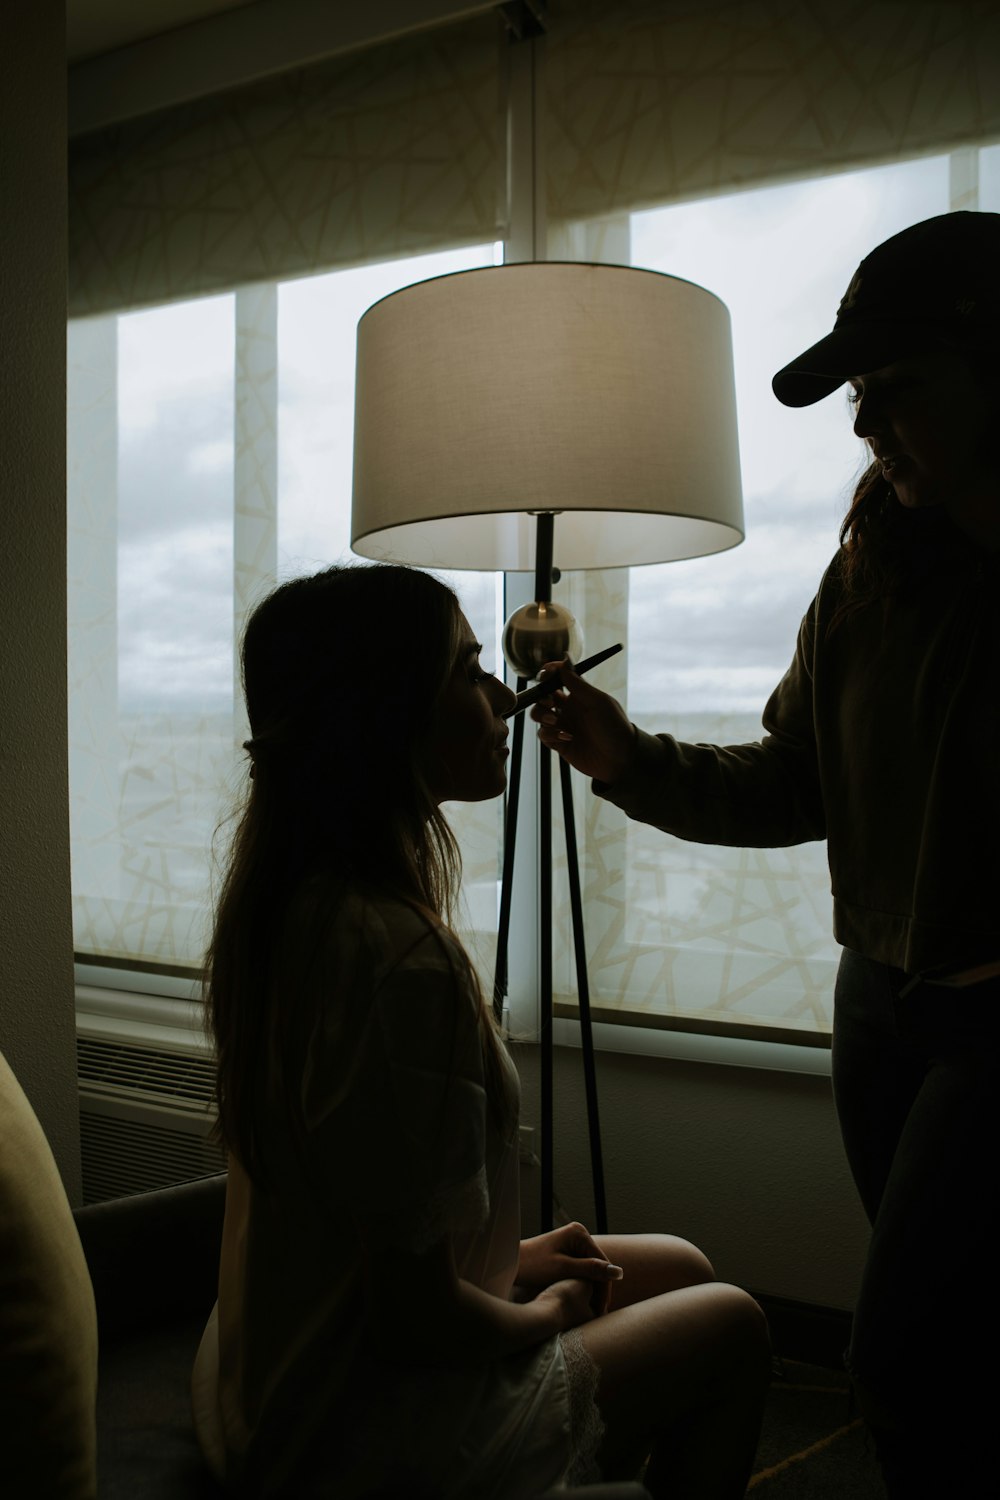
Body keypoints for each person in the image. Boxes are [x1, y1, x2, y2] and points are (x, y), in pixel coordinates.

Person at [532, 210, 1000, 1497]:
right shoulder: (867, 576)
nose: (863, 429)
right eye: (855, 399)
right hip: (883, 1000)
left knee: (900, 1356)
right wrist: (631, 762)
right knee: (950, 1344)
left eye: (895, 390)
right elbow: (797, 783)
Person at [190, 562, 770, 1500]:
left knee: (679, 1267)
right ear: (386, 716)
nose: (505, 692)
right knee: (734, 1323)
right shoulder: (400, 961)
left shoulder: (295, 905)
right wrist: (542, 1310)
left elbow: (369, 1223)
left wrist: (516, 1259)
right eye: (467, 669)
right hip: (358, 1427)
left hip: (278, 1360)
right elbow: (415, 1323)